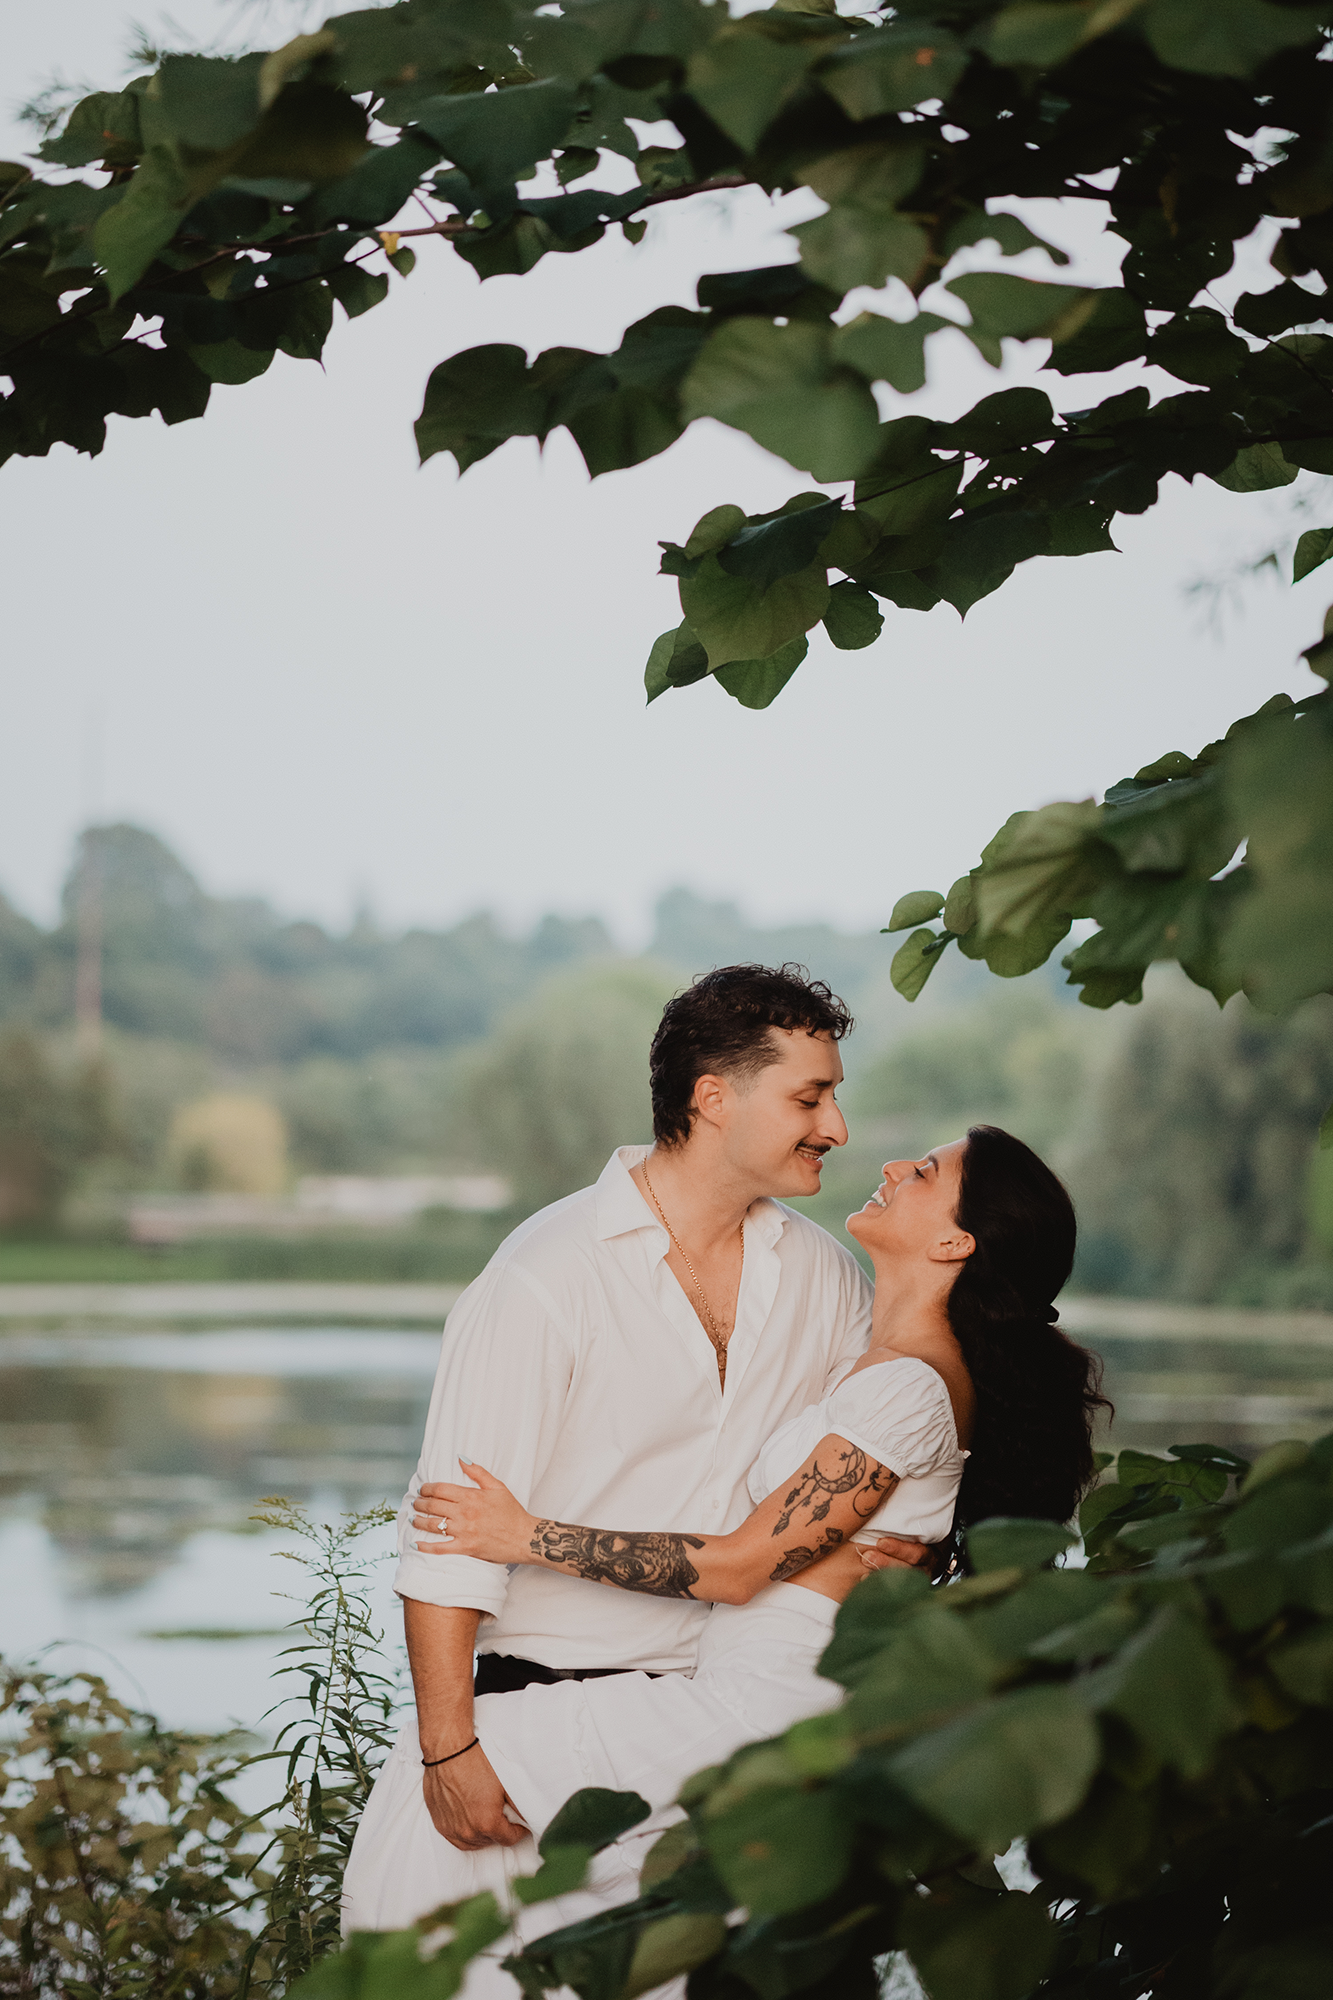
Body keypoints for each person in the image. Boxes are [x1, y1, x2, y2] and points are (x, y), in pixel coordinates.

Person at [343, 1124, 1108, 1996]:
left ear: (954, 1243)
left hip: (775, 1701)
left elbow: (743, 1566)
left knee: (453, 1763)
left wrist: (524, 1536)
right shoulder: (881, 1359)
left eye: (927, 1171)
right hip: (754, 1687)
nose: (893, 1164)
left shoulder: (907, 1386)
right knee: (608, 1892)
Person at [350, 966, 927, 1888]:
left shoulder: (824, 1277)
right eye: (809, 1098)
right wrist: (448, 1748)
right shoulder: (546, 1274)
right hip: (544, 1718)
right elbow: (448, 1540)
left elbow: (871, 1466)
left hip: (736, 1726)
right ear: (713, 1098)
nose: (836, 1128)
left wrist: (902, 1553)